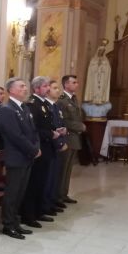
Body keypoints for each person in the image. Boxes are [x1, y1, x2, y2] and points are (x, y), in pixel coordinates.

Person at [0, 77, 40, 240]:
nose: (25, 89)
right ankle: (8, 224)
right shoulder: (7, 109)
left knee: (21, 191)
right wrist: (32, 149)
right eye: (21, 86)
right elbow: (15, 135)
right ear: (11, 90)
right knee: (12, 192)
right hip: (16, 156)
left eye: (25, 86)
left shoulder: (24, 108)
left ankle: (15, 222)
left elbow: (33, 131)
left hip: (27, 156)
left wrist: (36, 147)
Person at [20, 76, 62, 228]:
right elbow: (35, 129)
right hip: (40, 148)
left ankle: (38, 211)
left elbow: (46, 124)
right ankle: (29, 215)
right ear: (37, 88)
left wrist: (54, 131)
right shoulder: (33, 104)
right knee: (34, 183)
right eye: (45, 87)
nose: (48, 89)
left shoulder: (42, 104)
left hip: (47, 148)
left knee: (42, 182)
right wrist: (50, 134)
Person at [56, 75, 85, 205]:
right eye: (74, 82)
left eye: (77, 82)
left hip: (74, 138)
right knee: (62, 169)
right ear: (66, 85)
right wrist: (80, 126)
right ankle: (58, 196)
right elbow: (65, 120)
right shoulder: (62, 101)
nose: (77, 85)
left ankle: (64, 193)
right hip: (67, 137)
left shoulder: (73, 99)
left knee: (68, 169)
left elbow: (77, 116)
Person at [45, 80, 68, 213]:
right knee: (49, 177)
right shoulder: (47, 106)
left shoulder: (56, 106)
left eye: (58, 88)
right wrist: (59, 143)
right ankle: (47, 203)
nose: (58, 90)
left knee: (56, 176)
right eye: (55, 88)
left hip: (59, 144)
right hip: (52, 146)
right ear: (47, 91)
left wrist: (64, 132)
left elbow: (59, 124)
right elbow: (50, 128)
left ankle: (53, 200)